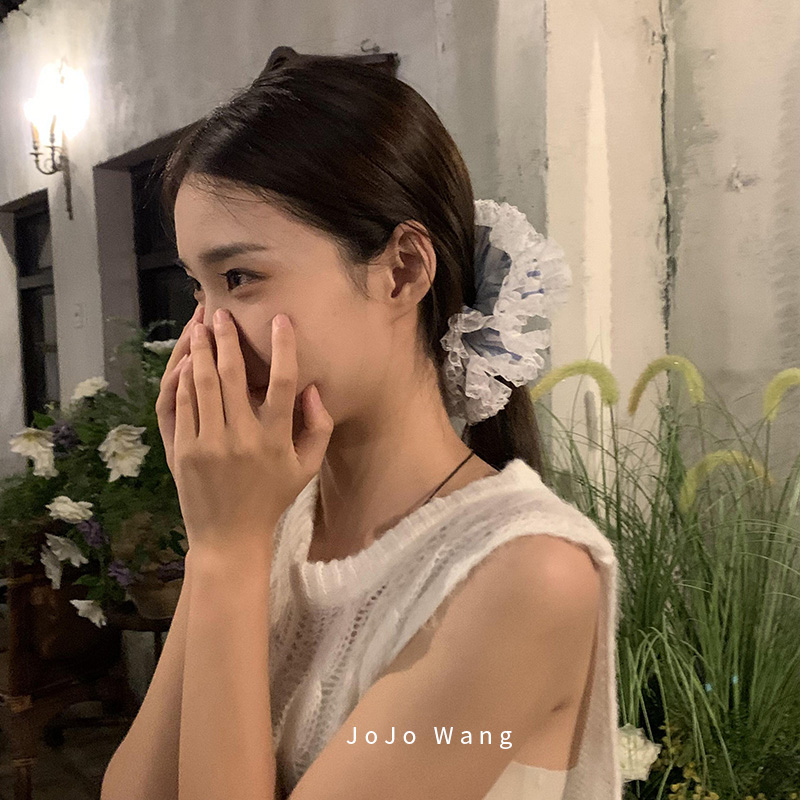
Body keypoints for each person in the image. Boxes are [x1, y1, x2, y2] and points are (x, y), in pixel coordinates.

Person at [102, 57, 622, 800]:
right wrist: (220, 543)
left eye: (239, 278)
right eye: (197, 287)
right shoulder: (269, 517)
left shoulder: (529, 577)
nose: (205, 333)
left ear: (402, 270)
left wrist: (228, 553)